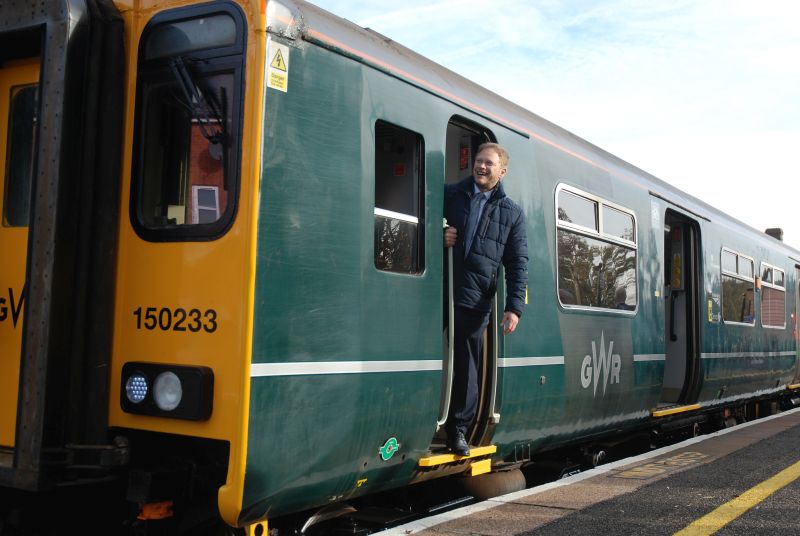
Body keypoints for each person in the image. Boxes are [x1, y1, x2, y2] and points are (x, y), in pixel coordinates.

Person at [443, 143, 528, 456]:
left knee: (467, 366)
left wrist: (514, 308)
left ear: (501, 171)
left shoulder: (513, 214)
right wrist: (439, 234)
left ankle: (458, 431)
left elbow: (518, 263)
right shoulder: (448, 194)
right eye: (479, 161)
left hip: (476, 296)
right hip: (438, 288)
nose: (481, 167)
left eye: (488, 163)